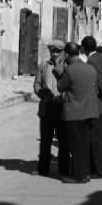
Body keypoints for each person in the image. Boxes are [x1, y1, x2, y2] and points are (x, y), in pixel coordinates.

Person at [53, 42, 99, 184]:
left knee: (76, 145)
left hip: (74, 113)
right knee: (85, 144)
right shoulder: (91, 69)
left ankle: (79, 176)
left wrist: (57, 70)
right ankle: (85, 173)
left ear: (66, 54)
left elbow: (61, 87)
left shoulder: (70, 70)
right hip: (89, 112)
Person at [33, 39, 69, 177]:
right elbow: (36, 84)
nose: (54, 53)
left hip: (61, 107)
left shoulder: (67, 67)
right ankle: (43, 169)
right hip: (46, 107)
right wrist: (40, 93)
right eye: (52, 51)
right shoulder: (43, 66)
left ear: (63, 52)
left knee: (63, 141)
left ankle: (64, 170)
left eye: (57, 51)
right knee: (45, 141)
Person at [81, 36, 102, 178]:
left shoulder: (92, 61)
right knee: (99, 138)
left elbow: (100, 83)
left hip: (98, 104)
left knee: (97, 139)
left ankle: (101, 170)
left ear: (84, 48)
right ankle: (98, 167)